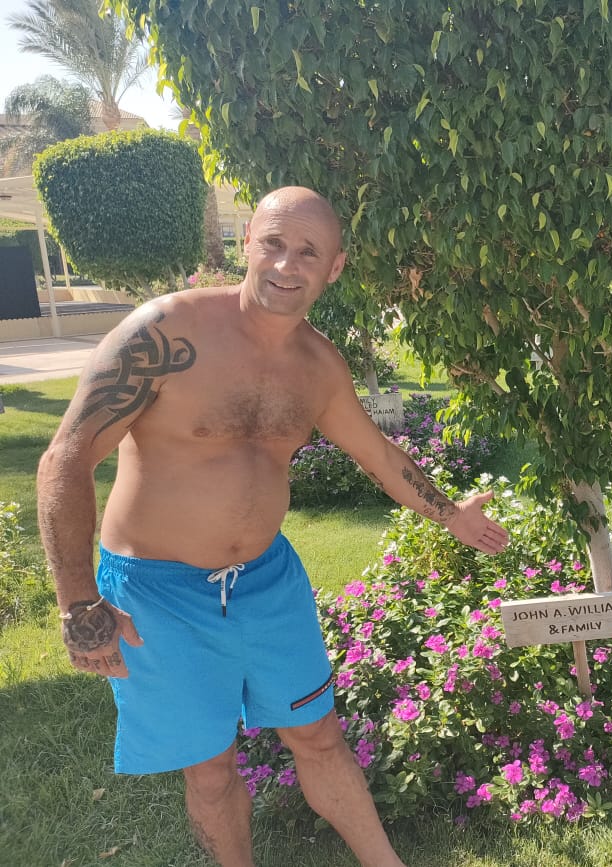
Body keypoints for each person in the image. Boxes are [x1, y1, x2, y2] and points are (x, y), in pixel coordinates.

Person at [37, 186, 510, 867]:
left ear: (334, 267)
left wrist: (451, 514)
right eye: (273, 244)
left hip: (267, 582)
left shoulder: (318, 366)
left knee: (318, 735)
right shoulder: (165, 333)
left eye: (308, 252)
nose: (287, 264)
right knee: (210, 766)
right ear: (247, 244)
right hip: (158, 592)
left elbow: (378, 456)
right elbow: (66, 457)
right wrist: (80, 601)